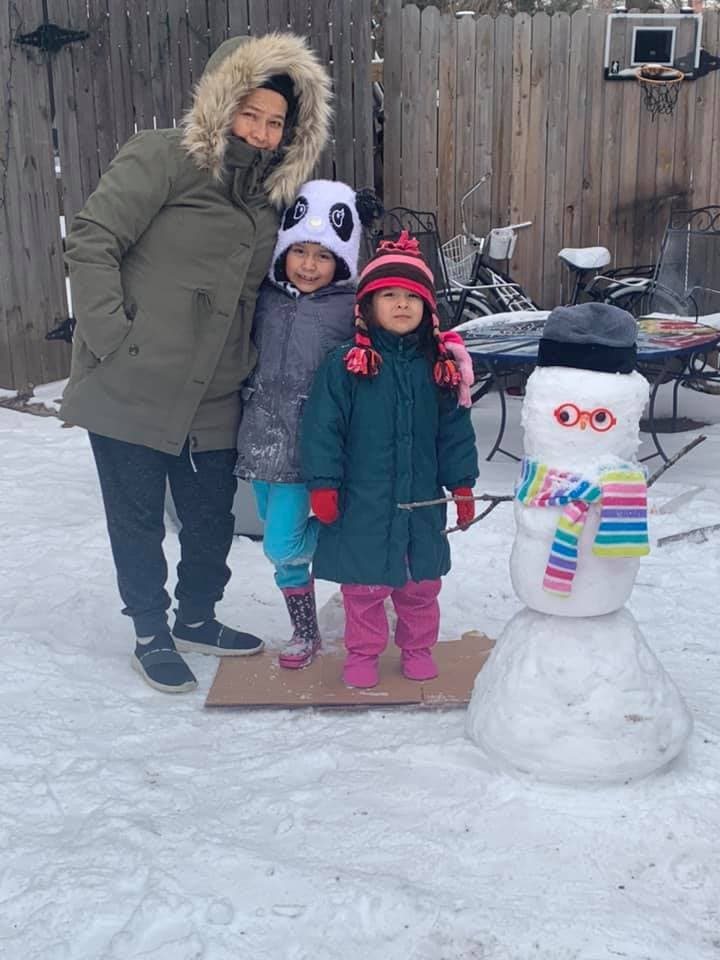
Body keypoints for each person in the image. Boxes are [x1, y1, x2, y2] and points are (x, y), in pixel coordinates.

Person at [59, 34, 332, 694]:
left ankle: (199, 618)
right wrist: (111, 337)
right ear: (221, 101)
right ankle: (151, 631)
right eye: (251, 114)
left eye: (276, 123)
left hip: (216, 389)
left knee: (210, 518)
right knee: (138, 519)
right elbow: (93, 239)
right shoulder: (162, 158)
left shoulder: (271, 199)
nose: (262, 133)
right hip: (133, 377)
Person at [300, 232, 480, 689]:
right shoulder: (346, 364)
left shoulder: (438, 366)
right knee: (363, 587)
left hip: (421, 498)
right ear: (367, 306)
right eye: (389, 296)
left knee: (420, 584)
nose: (402, 305)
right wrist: (323, 485)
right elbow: (324, 428)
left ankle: (417, 648)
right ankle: (362, 653)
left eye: (411, 297)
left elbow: (454, 430)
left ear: (427, 307)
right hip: (363, 499)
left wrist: (460, 484)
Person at [234, 180, 380, 669]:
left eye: (322, 254)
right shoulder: (266, 298)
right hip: (259, 436)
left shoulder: (351, 309)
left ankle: (352, 536)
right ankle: (304, 632)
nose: (309, 264)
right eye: (300, 251)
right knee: (283, 550)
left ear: (342, 259)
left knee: (280, 543)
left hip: (309, 446)